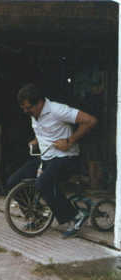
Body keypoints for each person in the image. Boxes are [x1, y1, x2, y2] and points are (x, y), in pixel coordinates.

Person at [7, 84, 98, 239]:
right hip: (46, 157)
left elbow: (91, 120)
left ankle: (77, 216)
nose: (26, 111)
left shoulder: (58, 110)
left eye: (28, 107)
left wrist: (69, 140)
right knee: (13, 182)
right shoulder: (34, 114)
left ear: (40, 103)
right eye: (23, 108)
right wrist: (36, 140)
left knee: (42, 184)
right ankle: (38, 217)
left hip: (66, 158)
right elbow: (45, 129)